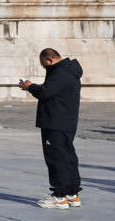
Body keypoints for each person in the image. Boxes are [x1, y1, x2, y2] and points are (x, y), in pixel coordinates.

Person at [22, 47, 83, 208]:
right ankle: (72, 194)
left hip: (55, 122)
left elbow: (46, 92)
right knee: (68, 156)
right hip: (66, 121)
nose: (45, 68)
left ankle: (60, 196)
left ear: (50, 60)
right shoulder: (69, 71)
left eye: (44, 65)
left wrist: (30, 86)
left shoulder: (60, 72)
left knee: (56, 158)